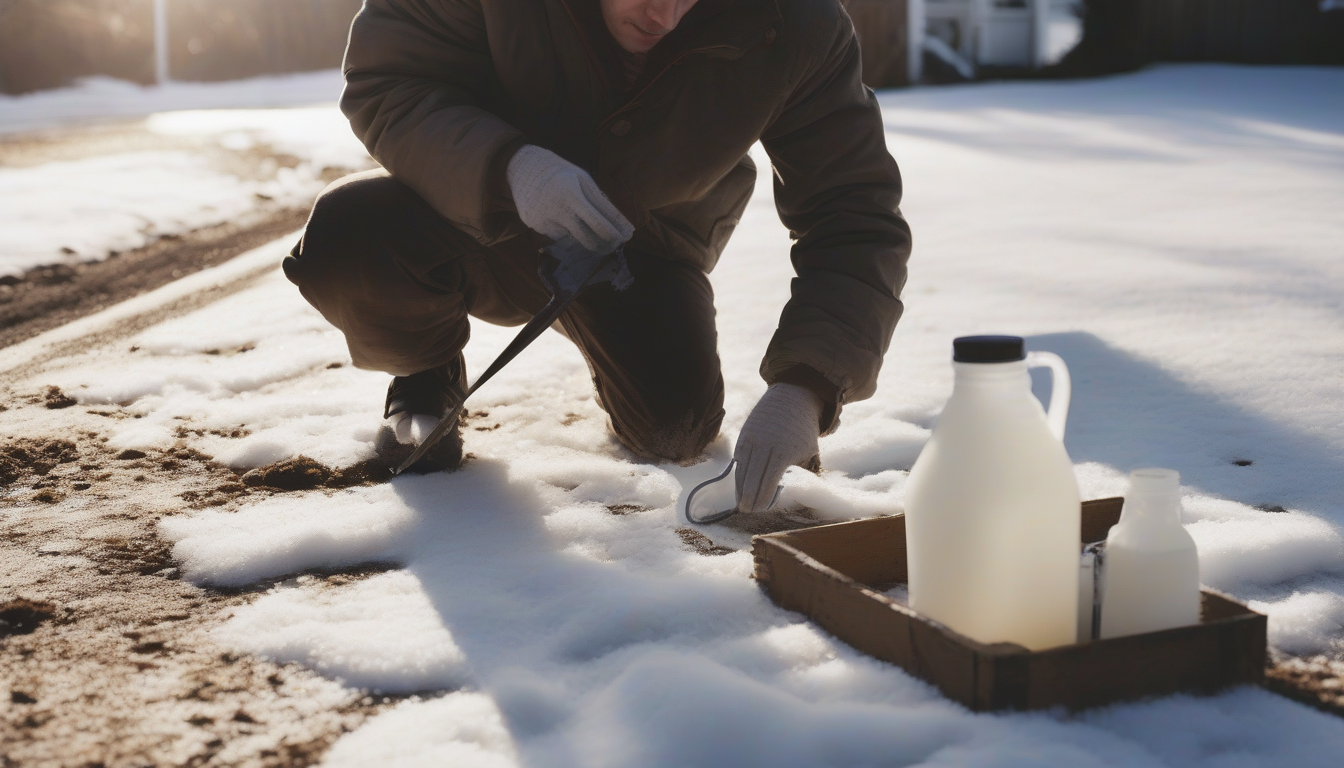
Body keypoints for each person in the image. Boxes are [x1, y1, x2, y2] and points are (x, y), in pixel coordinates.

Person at [283, 0, 911, 513]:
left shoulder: (798, 22)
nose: (664, 15)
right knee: (352, 237)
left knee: (676, 431)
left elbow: (853, 211)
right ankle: (426, 371)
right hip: (479, 218)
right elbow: (387, 81)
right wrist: (509, 168)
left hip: (643, 249)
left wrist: (808, 384)